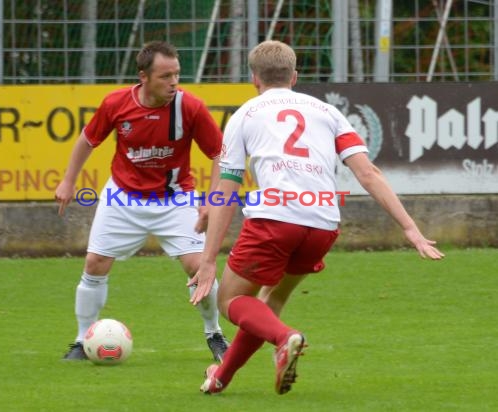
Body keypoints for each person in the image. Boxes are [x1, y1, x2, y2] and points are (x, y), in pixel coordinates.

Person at [188, 40, 445, 395]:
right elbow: (368, 172)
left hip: (275, 220)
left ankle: (286, 337)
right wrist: (411, 229)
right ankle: (220, 378)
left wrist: (207, 260)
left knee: (230, 302)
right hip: (323, 223)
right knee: (269, 302)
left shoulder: (245, 114)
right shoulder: (328, 112)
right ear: (294, 76)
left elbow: (227, 191)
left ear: (254, 79)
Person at [55, 41, 229, 362]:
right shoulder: (117, 103)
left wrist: (211, 198)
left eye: (177, 74)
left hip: (176, 200)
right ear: (143, 77)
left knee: (197, 267)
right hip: (122, 197)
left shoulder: (190, 107)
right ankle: (82, 340)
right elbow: (87, 140)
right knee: (94, 263)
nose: (174, 82)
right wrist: (68, 180)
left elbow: (220, 153)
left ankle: (214, 333)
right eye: (165, 76)